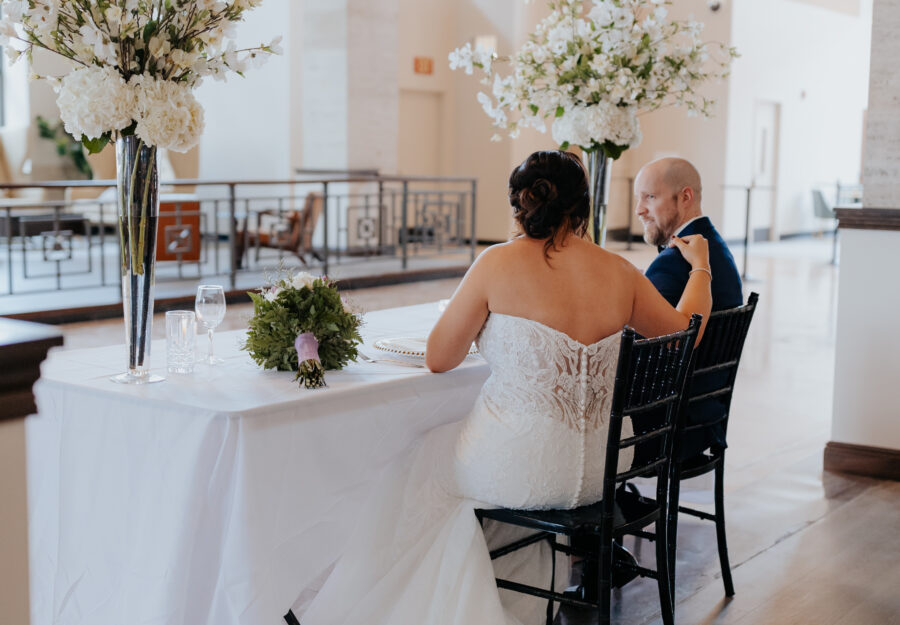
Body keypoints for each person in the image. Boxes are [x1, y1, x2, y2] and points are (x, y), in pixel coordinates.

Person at [290, 150, 712, 625]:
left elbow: (439, 358)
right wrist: (701, 267)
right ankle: (518, 593)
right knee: (458, 465)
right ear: (582, 209)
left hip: (524, 469)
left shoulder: (495, 262)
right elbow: (686, 332)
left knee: (420, 458)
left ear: (521, 205)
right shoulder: (618, 271)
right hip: (603, 467)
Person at [634, 157, 743, 459]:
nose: (639, 209)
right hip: (704, 418)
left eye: (650, 197)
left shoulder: (673, 264)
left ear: (685, 197)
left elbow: (647, 351)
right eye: (638, 198)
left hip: (667, 427)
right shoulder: (717, 247)